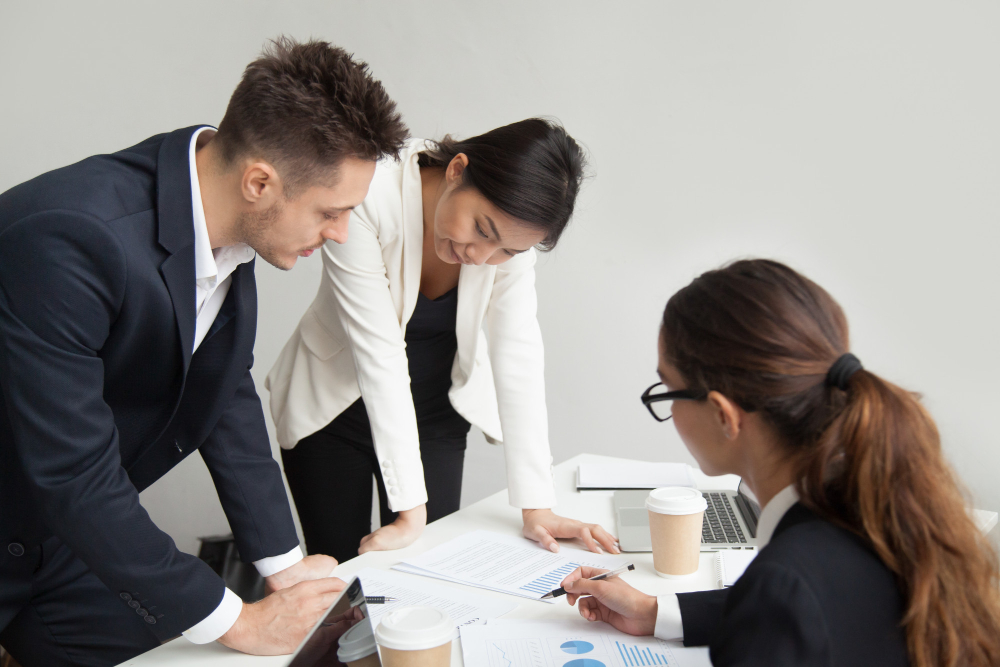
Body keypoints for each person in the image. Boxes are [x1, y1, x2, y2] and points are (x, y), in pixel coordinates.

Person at [0, 38, 408, 667]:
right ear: (260, 182)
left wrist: (286, 568)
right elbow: (74, 473)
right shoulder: (71, 239)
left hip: (56, 538)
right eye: (331, 211)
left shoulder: (227, 222)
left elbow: (224, 393)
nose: (340, 234)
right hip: (49, 503)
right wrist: (237, 620)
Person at [559, 259, 1000, 666]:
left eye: (668, 391)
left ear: (723, 415)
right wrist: (656, 612)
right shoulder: (879, 507)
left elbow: (786, 607)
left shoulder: (784, 588)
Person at [266, 119, 619, 563]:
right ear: (456, 169)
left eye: (507, 252)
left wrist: (537, 505)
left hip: (435, 413)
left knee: (426, 572)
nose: (483, 257)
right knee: (339, 581)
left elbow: (518, 353)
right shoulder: (369, 194)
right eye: (483, 230)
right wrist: (410, 512)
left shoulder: (509, 238)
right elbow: (380, 354)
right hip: (333, 408)